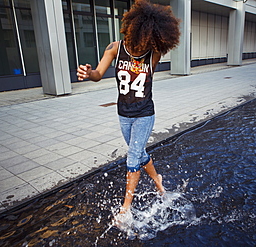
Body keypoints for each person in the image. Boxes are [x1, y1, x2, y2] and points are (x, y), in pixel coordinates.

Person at [76, 0, 180, 222]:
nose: (143, 47)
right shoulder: (115, 48)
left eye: (149, 43)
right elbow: (98, 73)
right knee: (140, 153)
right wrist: (89, 73)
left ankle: (125, 209)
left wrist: (148, 50)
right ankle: (158, 180)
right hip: (123, 113)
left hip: (144, 113)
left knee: (132, 158)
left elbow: (149, 64)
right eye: (142, 42)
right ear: (134, 32)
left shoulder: (153, 53)